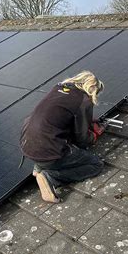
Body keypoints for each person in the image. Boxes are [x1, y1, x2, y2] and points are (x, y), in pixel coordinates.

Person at [20, 71, 106, 203]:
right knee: (96, 165)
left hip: (28, 146)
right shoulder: (84, 100)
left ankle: (39, 167)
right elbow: (82, 139)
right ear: (92, 90)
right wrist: (93, 136)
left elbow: (56, 120)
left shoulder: (58, 89)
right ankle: (51, 177)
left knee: (52, 137)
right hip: (49, 151)